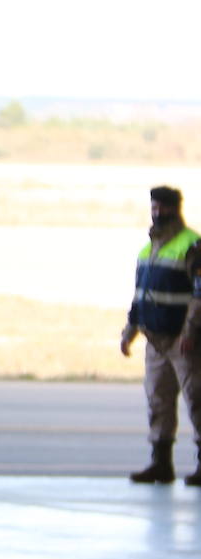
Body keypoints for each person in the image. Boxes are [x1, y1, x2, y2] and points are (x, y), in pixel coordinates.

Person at [121, 186, 201, 486]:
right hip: (155, 340)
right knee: (158, 401)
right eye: (154, 207)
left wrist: (190, 330)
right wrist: (130, 330)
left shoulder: (192, 245)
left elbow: (199, 293)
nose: (157, 213)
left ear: (176, 209)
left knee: (197, 400)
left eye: (163, 208)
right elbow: (140, 295)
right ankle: (160, 463)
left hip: (185, 341)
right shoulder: (148, 249)